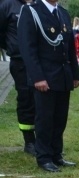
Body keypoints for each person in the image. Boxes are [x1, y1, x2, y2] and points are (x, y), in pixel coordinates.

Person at [17, 0, 79, 173]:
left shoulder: (63, 13)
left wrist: (75, 74)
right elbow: (27, 48)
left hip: (63, 76)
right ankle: (44, 157)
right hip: (44, 77)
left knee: (60, 118)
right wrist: (37, 77)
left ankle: (56, 154)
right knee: (45, 119)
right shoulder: (31, 11)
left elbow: (69, 49)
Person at [0, 0, 37, 155]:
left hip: (39, 61)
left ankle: (44, 139)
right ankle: (29, 141)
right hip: (20, 61)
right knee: (26, 98)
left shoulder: (39, 4)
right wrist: (12, 46)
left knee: (43, 100)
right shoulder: (7, 5)